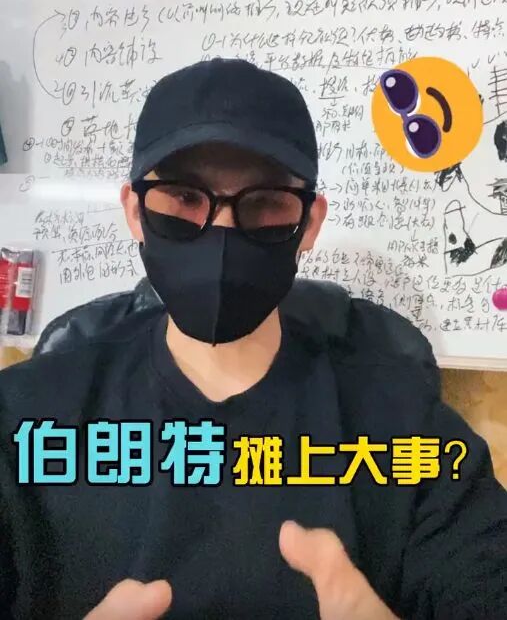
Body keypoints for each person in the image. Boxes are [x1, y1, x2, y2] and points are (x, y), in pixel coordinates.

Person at [0, 58, 506, 620]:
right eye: (183, 198)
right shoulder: (22, 419)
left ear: (309, 223)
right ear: (136, 212)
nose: (220, 234)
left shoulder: (408, 424)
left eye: (264, 203)